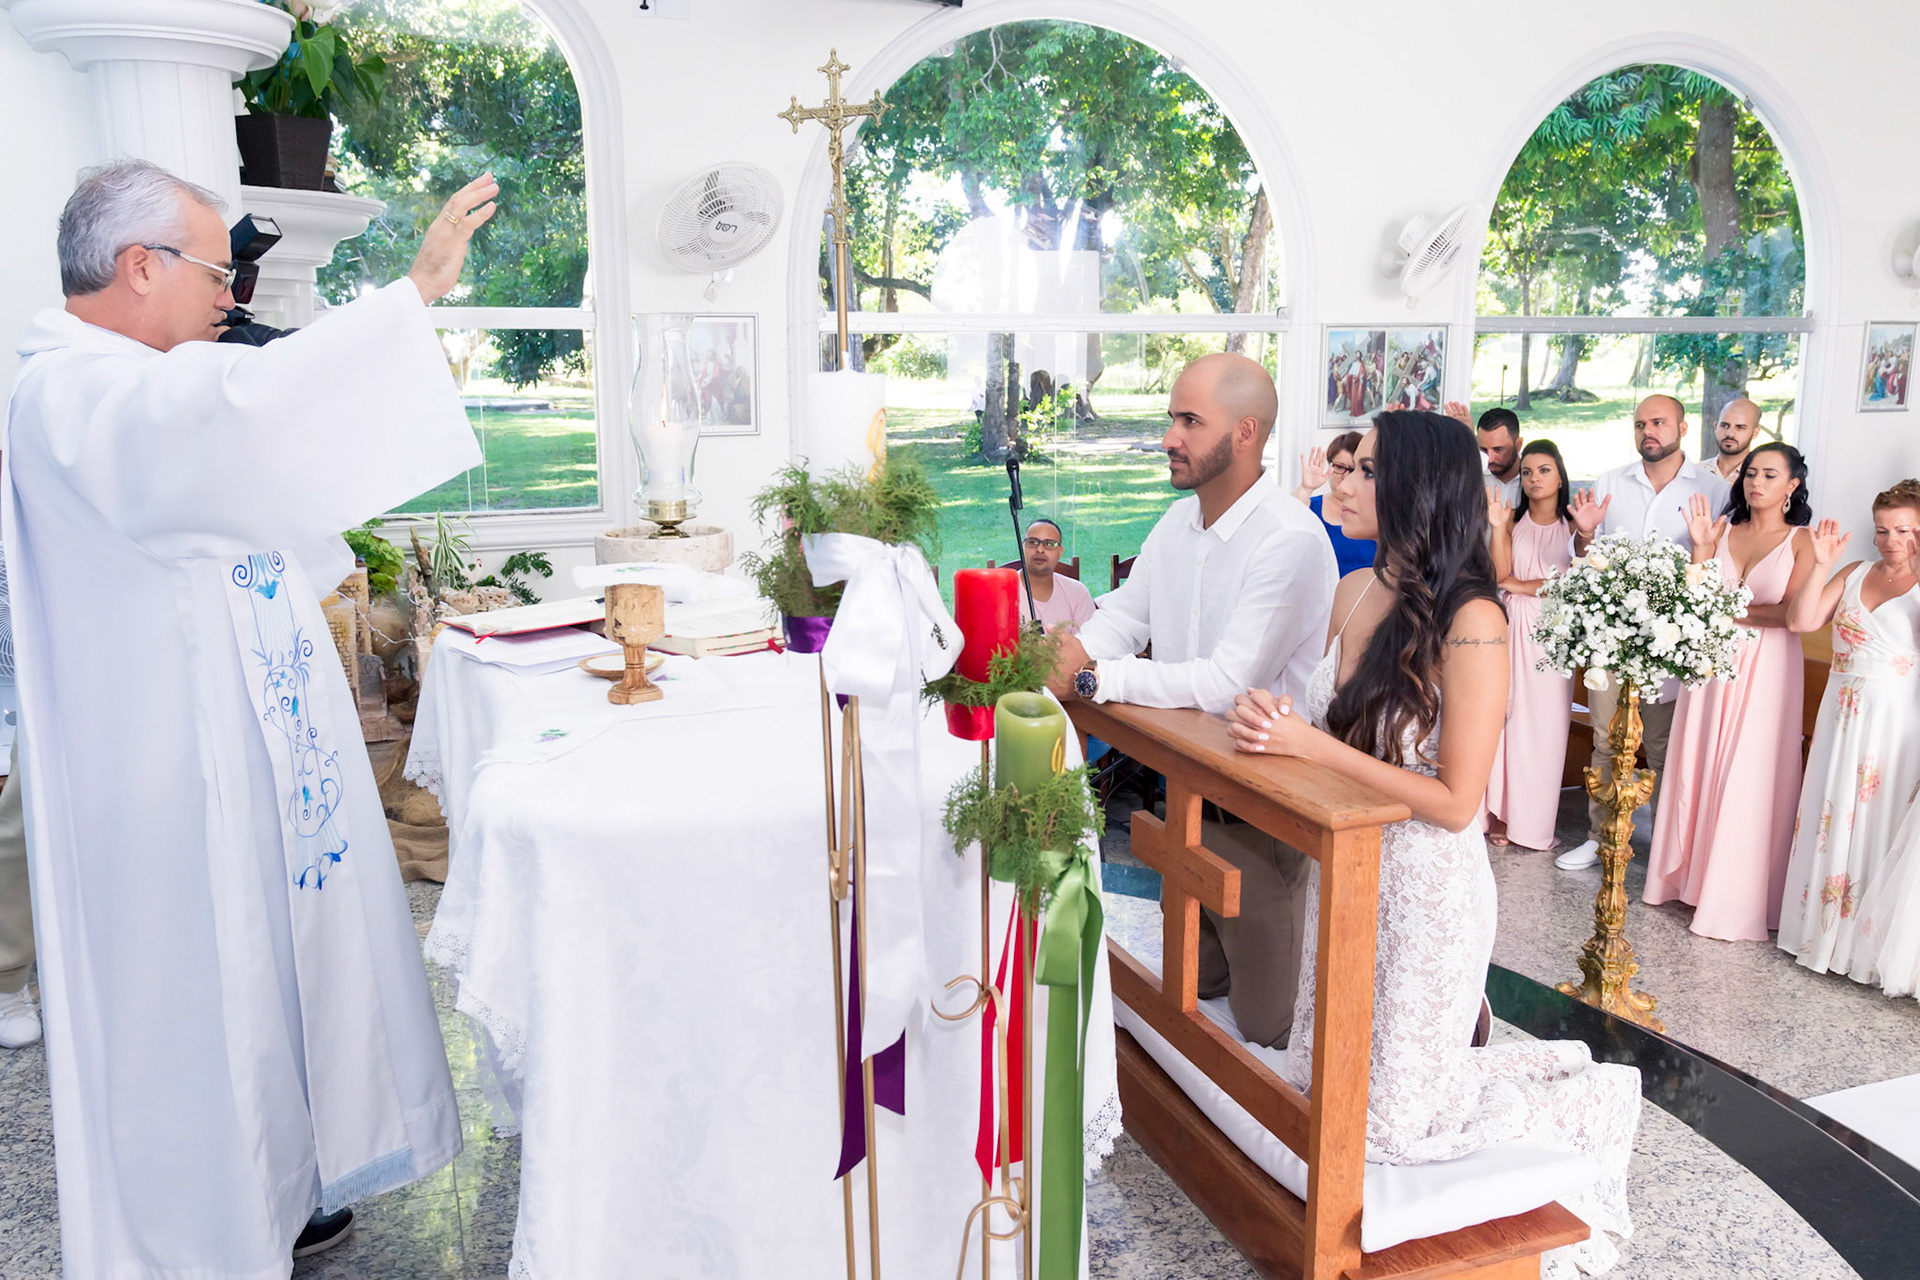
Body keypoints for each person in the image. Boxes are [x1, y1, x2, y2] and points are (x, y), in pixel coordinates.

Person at [6, 158, 495, 1277]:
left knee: (272, 967)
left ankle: (286, 1176)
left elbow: (254, 478)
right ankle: (206, 1230)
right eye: (217, 271)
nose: (233, 296)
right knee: (203, 1000)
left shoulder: (135, 376)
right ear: (139, 267)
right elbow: (225, 419)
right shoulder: (77, 390)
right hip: (167, 781)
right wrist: (409, 295)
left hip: (245, 750)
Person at [1225, 411, 1640, 1277]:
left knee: (1395, 1128)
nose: (1340, 480)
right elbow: (1337, 747)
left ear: (1415, 488)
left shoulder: (1476, 619)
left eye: (1364, 470)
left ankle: (1578, 1095)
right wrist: (1271, 733)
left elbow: (1456, 804)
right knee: (1324, 1082)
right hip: (1346, 868)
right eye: (1345, 467)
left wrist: (1311, 745)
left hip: (1425, 893)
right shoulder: (1352, 593)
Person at [1048, 352, 1336, 1049]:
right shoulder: (1177, 523)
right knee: (1197, 984)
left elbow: (1223, 686)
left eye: (1188, 421)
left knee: (1272, 1024)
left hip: (1266, 799)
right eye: (1171, 418)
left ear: (1244, 433)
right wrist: (1074, 647)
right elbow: (1123, 617)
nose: (1169, 437)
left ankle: (1452, 1012)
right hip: (1184, 786)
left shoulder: (1289, 538)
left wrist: (1093, 680)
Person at [1642, 444, 1817, 940]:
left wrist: (1730, 610)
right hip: (1711, 664)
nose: (1755, 482)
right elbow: (1694, 599)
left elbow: (1791, 615)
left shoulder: (1802, 541)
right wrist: (1700, 548)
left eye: (1769, 475)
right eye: (1750, 474)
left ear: (1792, 486)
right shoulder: (1723, 530)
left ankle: (1734, 894)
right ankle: (1685, 879)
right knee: (1698, 763)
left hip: (1768, 669)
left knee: (1749, 771)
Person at [1555, 395, 1732, 871]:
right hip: (1611, 635)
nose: (1647, 432)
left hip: (1673, 642)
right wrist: (1586, 535)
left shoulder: (1713, 489)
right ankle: (1599, 837)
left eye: (1657, 423)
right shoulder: (1612, 481)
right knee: (1606, 738)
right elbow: (1586, 554)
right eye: (1640, 424)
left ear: (1682, 427)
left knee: (1661, 745)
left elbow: (1720, 564)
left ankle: (1665, 850)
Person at [1776, 481, 1920, 979]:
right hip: (1841, 715)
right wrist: (1819, 564)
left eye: (1903, 530)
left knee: (1882, 819)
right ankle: (1821, 935)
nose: (1890, 540)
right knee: (1832, 816)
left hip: (1897, 722)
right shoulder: (1856, 571)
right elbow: (1801, 620)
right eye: (1883, 529)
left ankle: (1865, 948)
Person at [1484, 440, 1575, 851]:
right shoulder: (1512, 520)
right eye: (1528, 472)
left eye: (1544, 470)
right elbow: (1499, 573)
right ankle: (1498, 814)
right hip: (1509, 625)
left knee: (1543, 726)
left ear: (1560, 476)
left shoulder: (1574, 525)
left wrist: (1522, 586)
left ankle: (1530, 820)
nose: (1534, 478)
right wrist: (1499, 528)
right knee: (1504, 717)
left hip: (1552, 633)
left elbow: (1576, 583)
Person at [1291, 430, 1377, 577]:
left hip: (1365, 596)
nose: (1346, 476)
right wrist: (1306, 488)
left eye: (1354, 469)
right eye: (1339, 467)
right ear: (1330, 466)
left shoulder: (1375, 514)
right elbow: (1284, 520)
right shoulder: (1310, 506)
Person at [1015, 517, 1095, 632]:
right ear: (1022, 548)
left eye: (1049, 544)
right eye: (1032, 542)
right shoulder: (1003, 592)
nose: (1040, 549)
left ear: (1060, 552)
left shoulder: (1077, 593)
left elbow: (1088, 643)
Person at [1698, 397, 1763, 485]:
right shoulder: (1696, 472)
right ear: (1716, 427)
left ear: (1755, 432)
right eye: (1724, 426)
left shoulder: (1761, 476)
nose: (1730, 434)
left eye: (1740, 428)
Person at [1476, 407, 1524, 506]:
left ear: (1518, 444)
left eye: (1498, 449)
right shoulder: (1474, 477)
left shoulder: (1534, 478)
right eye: (1484, 450)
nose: (1490, 458)